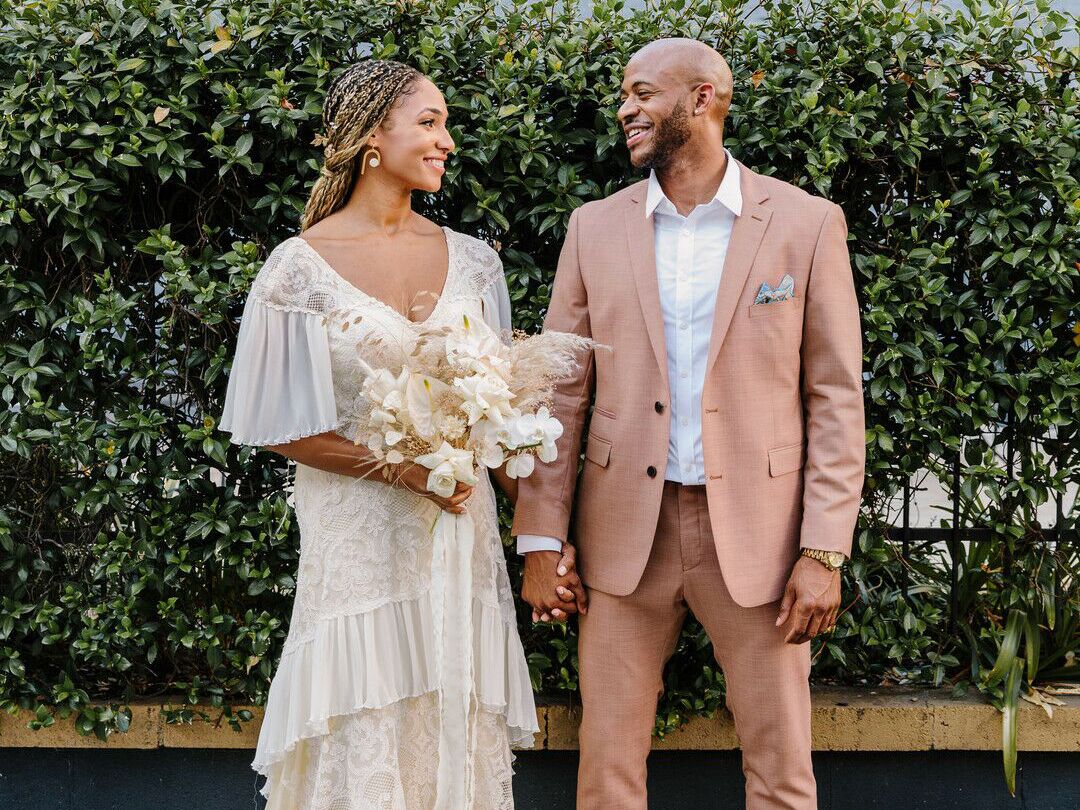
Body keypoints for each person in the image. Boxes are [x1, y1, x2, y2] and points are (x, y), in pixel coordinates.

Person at [514, 39, 865, 809]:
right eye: (623, 96)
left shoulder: (806, 224)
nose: (625, 110)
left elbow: (835, 396)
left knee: (780, 773)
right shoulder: (593, 229)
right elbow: (559, 393)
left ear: (702, 99)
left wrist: (824, 551)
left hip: (760, 543)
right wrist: (540, 538)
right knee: (605, 773)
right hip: (621, 540)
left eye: (642, 93)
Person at [220, 59, 570, 810]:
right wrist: (405, 470)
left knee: (452, 722)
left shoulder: (476, 262)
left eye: (445, 124)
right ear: (373, 137)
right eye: (430, 122)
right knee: (364, 726)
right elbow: (279, 428)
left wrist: (544, 535)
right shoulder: (298, 269)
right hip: (359, 548)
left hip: (459, 543)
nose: (447, 140)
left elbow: (502, 424)